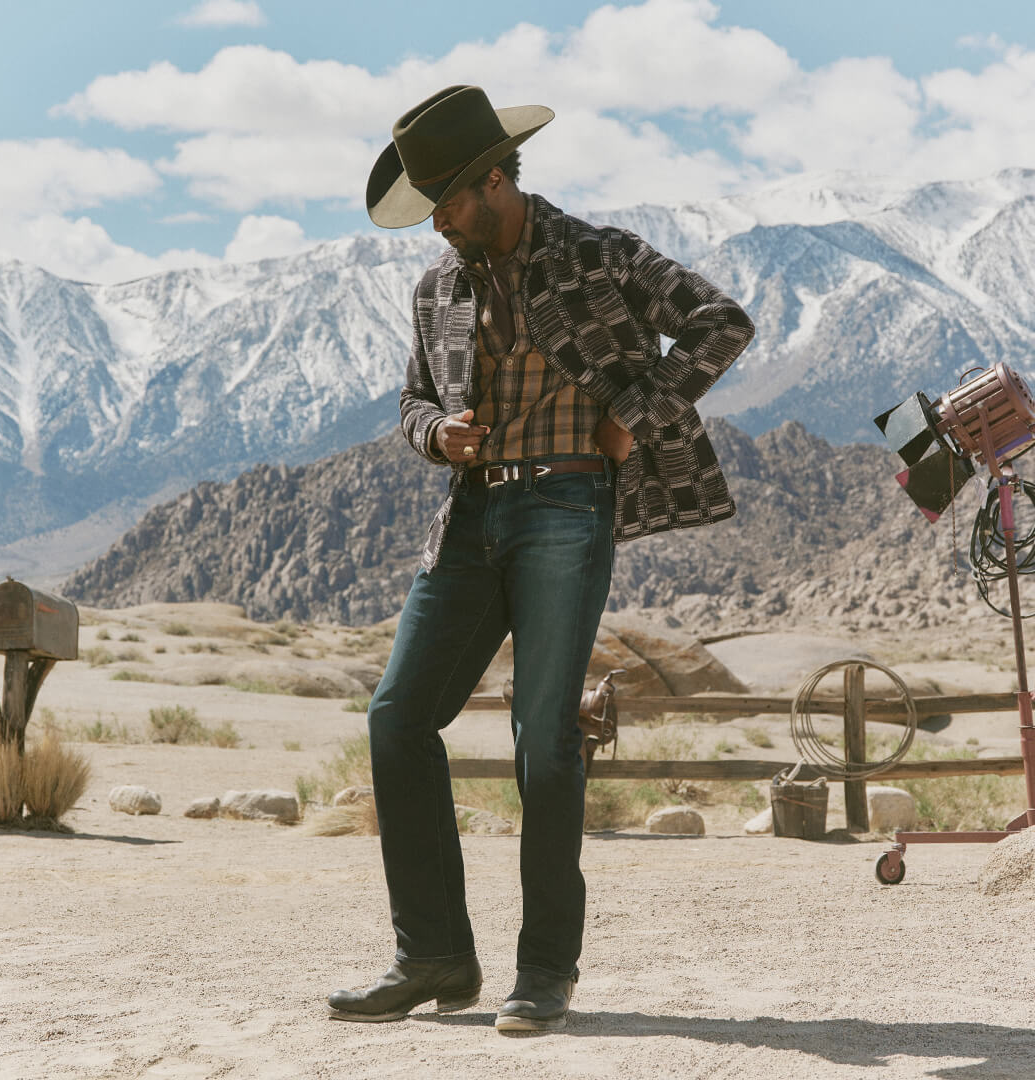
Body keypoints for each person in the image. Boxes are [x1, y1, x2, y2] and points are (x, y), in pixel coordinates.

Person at [327, 85, 755, 1033]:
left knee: (544, 739)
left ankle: (544, 973)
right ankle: (433, 955)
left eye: (446, 203)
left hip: (569, 504)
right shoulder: (437, 287)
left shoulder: (600, 254)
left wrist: (628, 419)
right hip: (473, 517)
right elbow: (408, 401)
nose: (436, 225)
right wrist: (441, 435)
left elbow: (723, 321)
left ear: (494, 179)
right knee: (398, 718)